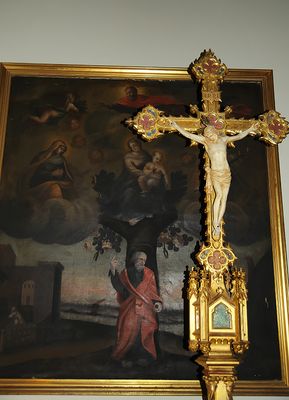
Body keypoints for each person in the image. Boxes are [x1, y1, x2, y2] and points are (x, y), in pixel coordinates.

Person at [170, 120, 257, 239]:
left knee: (224, 199)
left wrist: (251, 128)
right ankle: (215, 224)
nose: (208, 136)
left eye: (209, 133)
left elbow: (239, 135)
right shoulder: (206, 142)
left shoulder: (224, 140)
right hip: (216, 173)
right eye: (206, 135)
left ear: (214, 131)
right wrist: (177, 126)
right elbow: (189, 135)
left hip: (226, 173)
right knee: (219, 196)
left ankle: (218, 223)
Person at [109, 251, 162, 367]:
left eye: (143, 259)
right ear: (134, 260)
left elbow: (153, 292)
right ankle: (127, 357)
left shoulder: (149, 274)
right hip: (130, 308)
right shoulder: (126, 273)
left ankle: (142, 356)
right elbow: (120, 288)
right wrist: (113, 270)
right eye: (139, 259)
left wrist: (157, 303)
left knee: (144, 332)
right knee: (127, 332)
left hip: (146, 309)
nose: (141, 261)